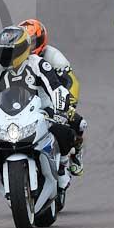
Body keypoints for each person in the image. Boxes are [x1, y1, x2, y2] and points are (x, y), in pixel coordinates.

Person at [0, 26, 75, 177]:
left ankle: (62, 165)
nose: (6, 55)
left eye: (10, 51)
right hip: (6, 115)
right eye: (2, 51)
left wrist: (60, 112)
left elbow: (56, 88)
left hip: (41, 110)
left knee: (64, 133)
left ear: (22, 49)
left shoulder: (38, 64)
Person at [18, 18, 87, 176]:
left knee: (79, 123)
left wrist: (68, 105)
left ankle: (76, 155)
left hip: (52, 101)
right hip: (26, 103)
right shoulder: (16, 59)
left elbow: (71, 82)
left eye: (33, 43)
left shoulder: (54, 56)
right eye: (26, 43)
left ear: (41, 40)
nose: (29, 47)